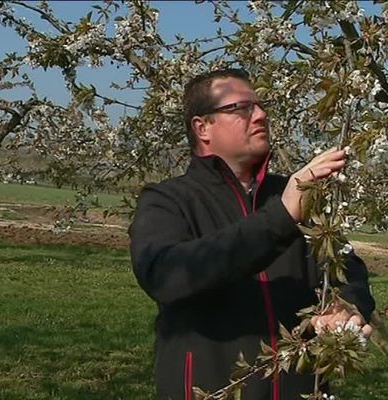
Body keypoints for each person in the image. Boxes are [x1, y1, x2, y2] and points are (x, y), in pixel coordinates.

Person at [129, 68, 375, 400]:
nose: (259, 115)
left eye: (260, 106)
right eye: (240, 108)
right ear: (202, 127)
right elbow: (164, 274)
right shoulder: (169, 200)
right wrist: (282, 218)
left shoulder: (293, 195)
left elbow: (347, 268)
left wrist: (347, 307)